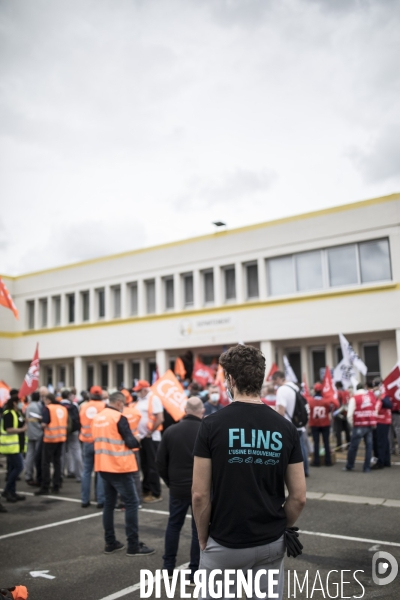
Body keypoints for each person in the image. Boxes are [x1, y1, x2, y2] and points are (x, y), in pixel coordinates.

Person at [192, 345, 306, 600]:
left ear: (230, 379)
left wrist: (203, 539)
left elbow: (199, 495)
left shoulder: (211, 424)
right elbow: (299, 497)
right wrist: (278, 528)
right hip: (271, 543)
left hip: (225, 541)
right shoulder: (285, 428)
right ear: (261, 377)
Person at [92, 391, 155, 556]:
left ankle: (110, 542)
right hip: (120, 466)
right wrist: (138, 440)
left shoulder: (98, 417)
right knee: (132, 503)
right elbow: (131, 442)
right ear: (119, 403)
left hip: (103, 466)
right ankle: (133, 546)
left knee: (109, 505)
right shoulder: (119, 418)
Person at [156, 397, 205, 580]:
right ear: (202, 411)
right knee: (197, 530)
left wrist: (170, 482)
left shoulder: (171, 431)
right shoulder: (206, 431)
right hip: (201, 489)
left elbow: (160, 462)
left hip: (177, 487)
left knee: (174, 525)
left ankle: (168, 566)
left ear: (185, 410)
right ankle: (194, 572)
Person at [273, 371, 309, 478]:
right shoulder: (295, 387)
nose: (275, 383)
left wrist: (271, 412)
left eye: (275, 381)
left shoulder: (282, 390)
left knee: (289, 451)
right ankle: (305, 470)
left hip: (288, 424)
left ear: (279, 379)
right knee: (301, 447)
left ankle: (294, 474)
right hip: (298, 423)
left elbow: (281, 411)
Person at [134, 380, 164, 503]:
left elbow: (160, 418)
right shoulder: (141, 400)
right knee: (145, 465)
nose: (137, 393)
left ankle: (156, 493)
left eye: (138, 390)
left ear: (145, 390)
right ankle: (146, 489)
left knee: (152, 466)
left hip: (151, 437)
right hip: (143, 437)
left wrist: (150, 433)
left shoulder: (154, 399)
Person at [35, 393, 68, 494]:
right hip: (61, 438)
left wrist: (40, 422)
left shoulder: (48, 408)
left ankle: (45, 486)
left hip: (50, 438)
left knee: (45, 463)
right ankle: (56, 485)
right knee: (57, 462)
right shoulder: (62, 408)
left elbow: (44, 424)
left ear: (48, 400)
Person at [79, 385, 106, 508]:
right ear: (100, 395)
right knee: (100, 472)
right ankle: (101, 500)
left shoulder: (84, 406)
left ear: (90, 394)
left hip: (86, 441)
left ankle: (85, 500)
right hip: (99, 442)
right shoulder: (104, 407)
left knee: (86, 472)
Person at [0, 390, 27, 502]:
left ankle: (12, 492)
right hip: (10, 446)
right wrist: (22, 429)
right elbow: (9, 429)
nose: (21, 403)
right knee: (19, 467)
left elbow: (21, 422)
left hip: (17, 446)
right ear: (15, 403)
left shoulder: (18, 413)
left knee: (12, 469)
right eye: (19, 402)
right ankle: (7, 490)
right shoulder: (9, 414)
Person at [344, 383, 377, 473]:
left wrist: (352, 424)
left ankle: (350, 465)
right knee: (369, 447)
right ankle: (367, 467)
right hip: (369, 424)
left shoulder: (354, 398)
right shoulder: (370, 397)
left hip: (358, 425)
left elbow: (349, 415)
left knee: (353, 447)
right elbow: (375, 409)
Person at [308, 383, 339, 467]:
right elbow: (329, 411)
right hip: (325, 423)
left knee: (316, 443)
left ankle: (316, 461)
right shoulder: (326, 401)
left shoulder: (310, 401)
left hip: (314, 424)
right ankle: (328, 461)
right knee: (326, 442)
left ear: (314, 390)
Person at [122, 390, 143, 503]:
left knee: (123, 476)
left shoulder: (118, 414)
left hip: (123, 448)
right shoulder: (136, 411)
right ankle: (138, 499)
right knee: (136, 475)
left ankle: (126, 500)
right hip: (135, 445)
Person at [60, 389, 83, 482]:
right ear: (69, 396)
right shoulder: (74, 406)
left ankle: (60, 474)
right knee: (76, 452)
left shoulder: (59, 406)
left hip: (61, 432)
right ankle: (79, 475)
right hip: (73, 431)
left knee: (61, 454)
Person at [24, 391, 43, 485]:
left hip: (30, 432)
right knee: (37, 456)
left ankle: (28, 474)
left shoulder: (28, 406)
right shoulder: (38, 406)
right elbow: (39, 420)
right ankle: (37, 475)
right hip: (38, 433)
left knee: (29, 454)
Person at [372, 382, 392, 470]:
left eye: (376, 389)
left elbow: (389, 405)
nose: (375, 391)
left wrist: (380, 398)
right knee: (385, 442)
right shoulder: (378, 397)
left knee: (381, 442)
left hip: (382, 421)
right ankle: (386, 461)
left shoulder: (384, 396)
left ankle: (381, 462)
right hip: (382, 421)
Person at [333, 382, 350, 450]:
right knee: (347, 430)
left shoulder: (338, 392)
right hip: (345, 413)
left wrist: (337, 411)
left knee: (338, 431)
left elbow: (341, 403)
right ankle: (349, 444)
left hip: (339, 413)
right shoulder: (346, 392)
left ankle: (339, 445)